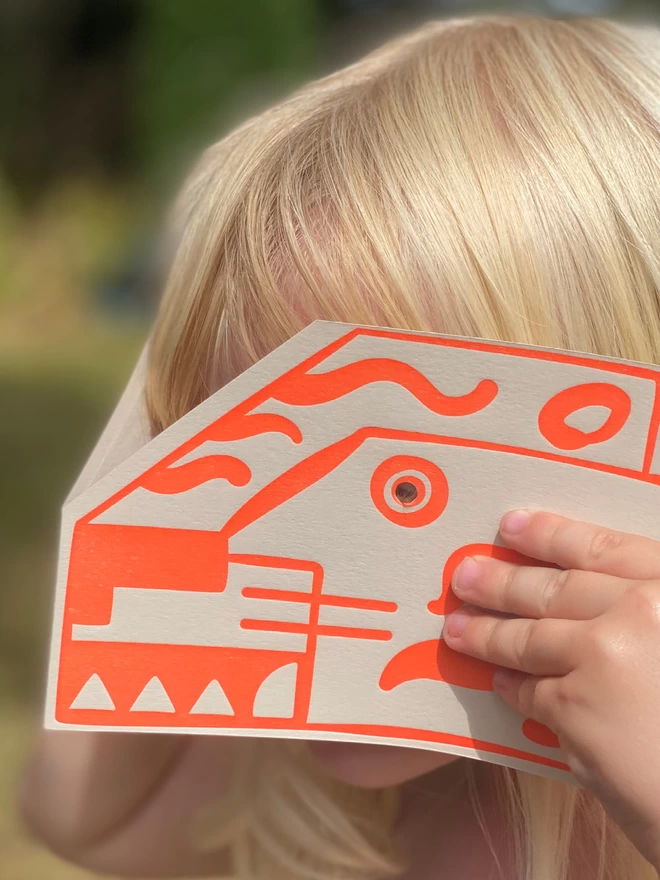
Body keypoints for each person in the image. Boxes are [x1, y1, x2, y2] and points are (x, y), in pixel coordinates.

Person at [19, 14, 660, 880]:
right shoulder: (373, 803)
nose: (267, 531)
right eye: (223, 429)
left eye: (375, 482)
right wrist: (159, 492)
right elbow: (75, 814)